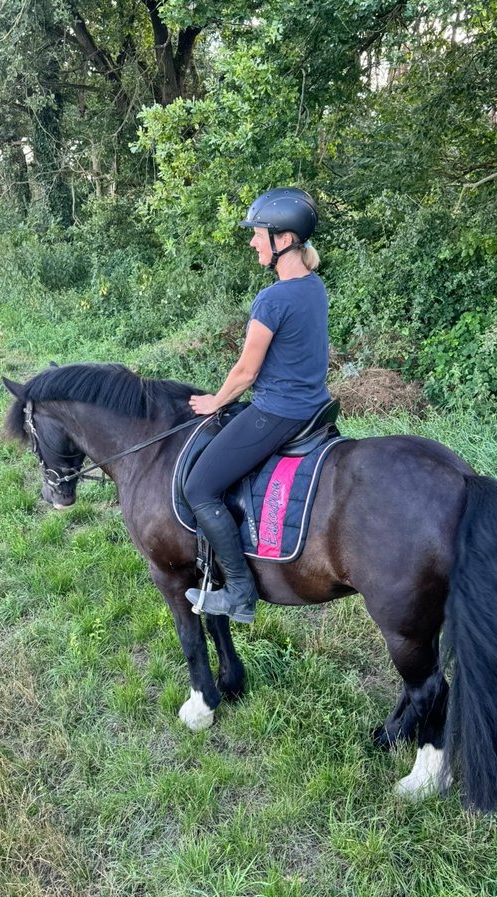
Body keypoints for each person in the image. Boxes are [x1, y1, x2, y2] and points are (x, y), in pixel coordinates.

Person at [184, 187, 331, 623]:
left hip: (279, 412)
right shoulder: (313, 286)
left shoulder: (273, 299)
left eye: (258, 234)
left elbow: (246, 373)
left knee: (199, 489)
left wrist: (215, 401)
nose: (252, 242)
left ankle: (240, 593)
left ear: (282, 239)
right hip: (314, 407)